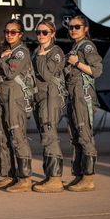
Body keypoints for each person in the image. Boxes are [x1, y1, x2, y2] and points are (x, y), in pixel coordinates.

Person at [0, 19, 36, 193]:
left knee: (18, 137)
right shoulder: (6, 50)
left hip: (15, 99)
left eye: (13, 32)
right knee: (1, 138)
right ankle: (8, 176)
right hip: (3, 98)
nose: (9, 35)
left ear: (20, 34)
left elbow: (10, 72)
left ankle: (25, 179)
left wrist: (3, 59)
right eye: (7, 31)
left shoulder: (21, 52)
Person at [64, 15, 103, 191]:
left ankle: (88, 178)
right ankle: (79, 174)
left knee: (85, 135)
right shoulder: (76, 46)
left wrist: (77, 62)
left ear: (85, 28)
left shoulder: (87, 46)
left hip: (83, 97)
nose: (73, 30)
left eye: (77, 27)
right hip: (73, 96)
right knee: (76, 136)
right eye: (71, 27)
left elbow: (96, 71)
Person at [32, 20, 66, 193]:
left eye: (45, 32)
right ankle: (49, 176)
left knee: (49, 136)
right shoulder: (37, 52)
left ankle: (55, 179)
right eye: (38, 32)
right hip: (39, 99)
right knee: (45, 136)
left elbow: (46, 75)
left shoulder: (55, 52)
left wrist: (41, 56)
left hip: (50, 99)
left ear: (52, 34)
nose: (40, 35)